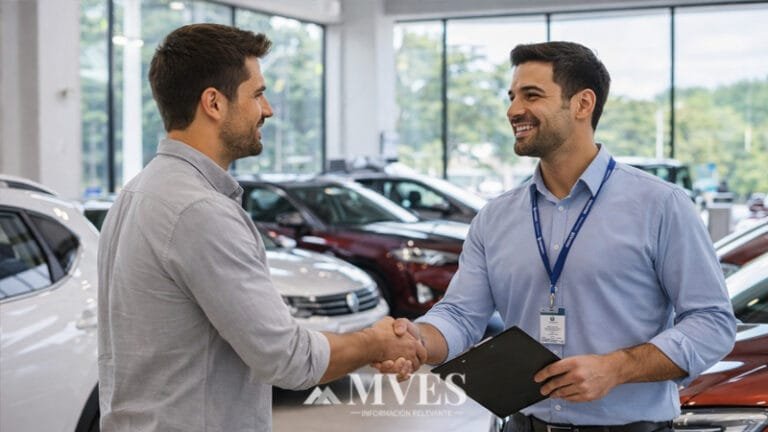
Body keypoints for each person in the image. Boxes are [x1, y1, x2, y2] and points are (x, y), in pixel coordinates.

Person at [375, 41, 736, 430]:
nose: (514, 110)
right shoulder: (495, 217)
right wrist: (417, 340)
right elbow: (462, 315)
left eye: (532, 95)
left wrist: (618, 368)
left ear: (582, 104)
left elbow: (712, 322)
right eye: (512, 97)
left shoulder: (660, 205)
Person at [97, 23, 425, 432]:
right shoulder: (199, 210)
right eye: (257, 94)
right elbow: (287, 358)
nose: (267, 109)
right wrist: (374, 342)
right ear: (214, 103)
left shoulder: (136, 192)